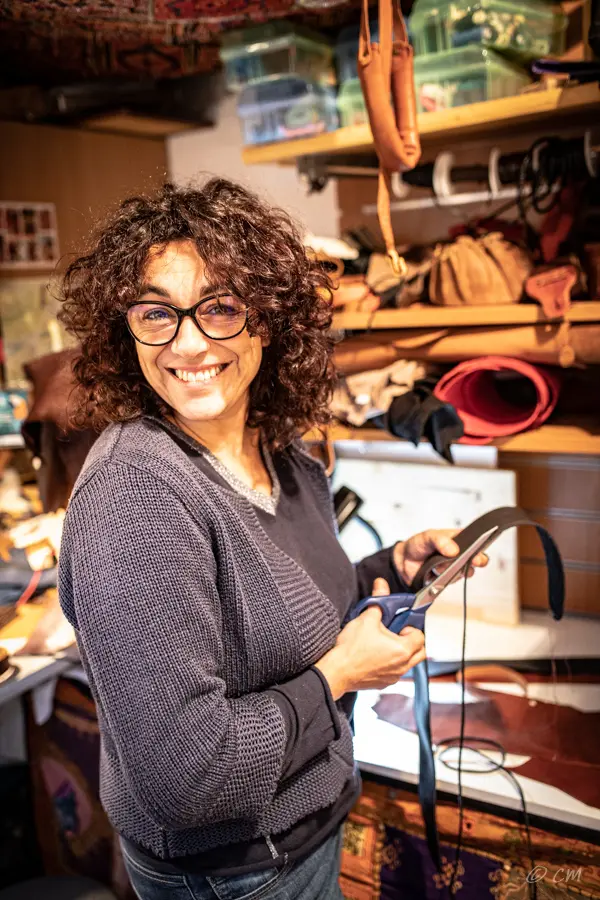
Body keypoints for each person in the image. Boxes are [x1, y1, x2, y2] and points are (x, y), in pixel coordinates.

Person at [57, 179, 487, 900]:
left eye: (220, 307)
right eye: (158, 312)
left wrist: (392, 569)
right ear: (122, 329)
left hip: (306, 833)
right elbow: (184, 780)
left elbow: (282, 620)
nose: (189, 342)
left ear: (267, 321)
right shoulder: (133, 498)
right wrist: (341, 676)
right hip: (238, 875)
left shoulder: (281, 454)